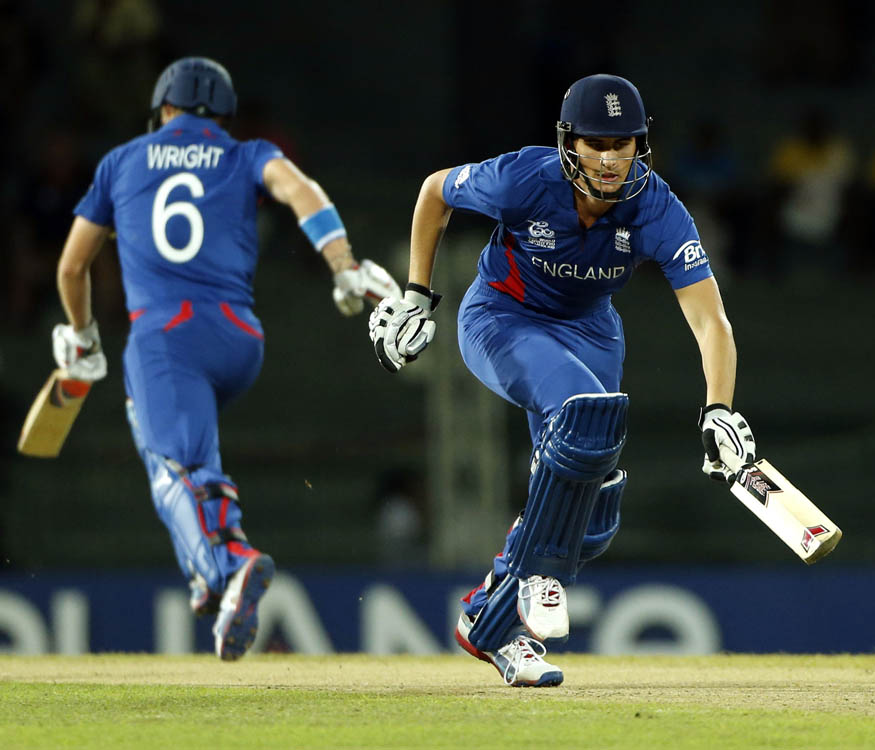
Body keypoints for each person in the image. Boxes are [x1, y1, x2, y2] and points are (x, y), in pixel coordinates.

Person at [369, 74, 756, 686]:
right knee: (587, 415)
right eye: (595, 143)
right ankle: (537, 579)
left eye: (622, 143)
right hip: (502, 316)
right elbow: (434, 193)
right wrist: (417, 292)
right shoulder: (524, 176)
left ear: (640, 145)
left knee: (592, 510)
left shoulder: (657, 207)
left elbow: (711, 320)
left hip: (591, 332)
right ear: (568, 143)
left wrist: (720, 410)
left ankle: (494, 626)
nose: (609, 159)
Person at [52, 57, 400, 661]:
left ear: (162, 109)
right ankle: (204, 562)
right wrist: (343, 265)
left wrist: (82, 338)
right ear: (223, 113)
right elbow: (302, 191)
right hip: (239, 341)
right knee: (175, 441)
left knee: (173, 467)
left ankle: (225, 559)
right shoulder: (247, 153)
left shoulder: (122, 162)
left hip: (165, 338)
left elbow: (71, 266)